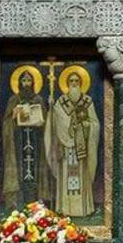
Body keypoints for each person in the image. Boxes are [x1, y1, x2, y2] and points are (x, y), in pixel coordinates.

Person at [49, 69, 100, 219]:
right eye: (71, 81)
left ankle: (83, 209)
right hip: (65, 148)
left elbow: (95, 123)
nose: (74, 84)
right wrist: (52, 109)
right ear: (67, 83)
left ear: (81, 83)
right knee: (65, 177)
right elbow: (56, 123)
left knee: (82, 178)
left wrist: (85, 126)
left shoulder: (87, 101)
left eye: (77, 81)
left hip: (81, 145)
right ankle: (65, 209)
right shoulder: (60, 102)